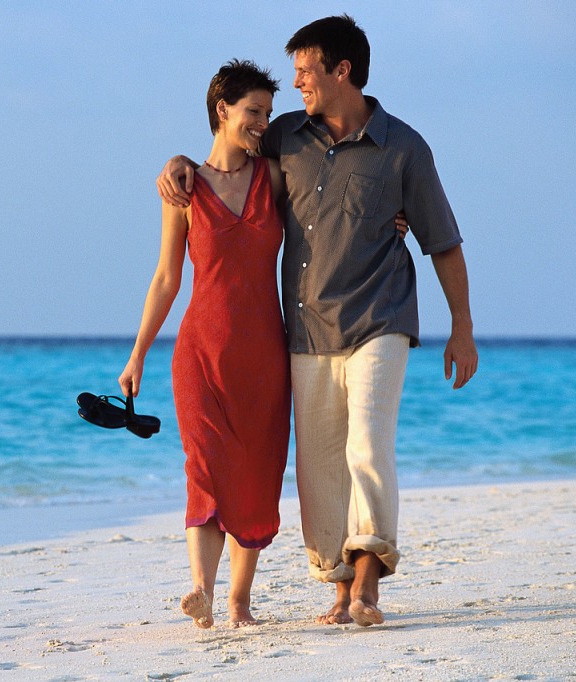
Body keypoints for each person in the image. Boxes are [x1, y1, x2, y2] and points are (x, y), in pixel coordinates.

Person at [156, 14, 478, 627]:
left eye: (305, 70)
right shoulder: (285, 137)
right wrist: (175, 162)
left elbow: (444, 241)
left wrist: (461, 327)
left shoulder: (404, 147)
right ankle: (338, 584)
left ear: (342, 71)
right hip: (305, 330)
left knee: (367, 445)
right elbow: (227, 155)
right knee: (319, 466)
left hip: (380, 318)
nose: (297, 82)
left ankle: (369, 582)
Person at [118, 60, 290, 629]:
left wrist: (393, 220)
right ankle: (202, 588)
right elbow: (167, 277)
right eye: (253, 112)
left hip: (266, 354)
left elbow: (330, 213)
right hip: (199, 353)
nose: (263, 123)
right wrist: (138, 352)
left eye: (267, 113)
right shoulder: (184, 188)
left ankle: (240, 601)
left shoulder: (277, 176)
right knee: (204, 467)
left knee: (258, 472)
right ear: (222, 110)